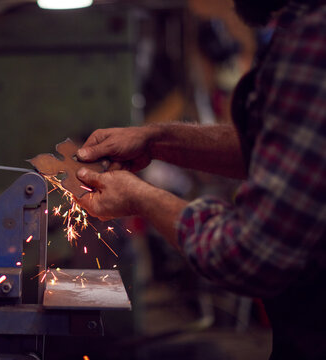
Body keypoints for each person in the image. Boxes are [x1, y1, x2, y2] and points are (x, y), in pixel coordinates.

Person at [75, 0, 326, 359]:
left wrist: (140, 198)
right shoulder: (297, 30)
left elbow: (250, 253)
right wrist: (156, 138)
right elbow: (280, 148)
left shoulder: (315, 41)